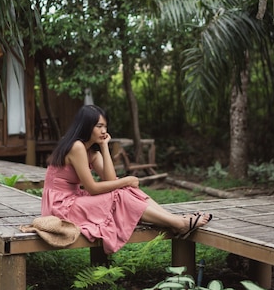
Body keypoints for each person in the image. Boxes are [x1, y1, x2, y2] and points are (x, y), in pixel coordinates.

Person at [42, 104, 212, 254]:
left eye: (105, 126)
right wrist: (127, 180)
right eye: (99, 126)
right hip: (61, 206)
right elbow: (93, 187)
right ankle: (179, 223)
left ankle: (175, 220)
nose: (103, 130)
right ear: (86, 126)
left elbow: (109, 179)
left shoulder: (91, 152)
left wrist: (104, 146)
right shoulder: (76, 146)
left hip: (74, 199)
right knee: (122, 192)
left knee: (124, 190)